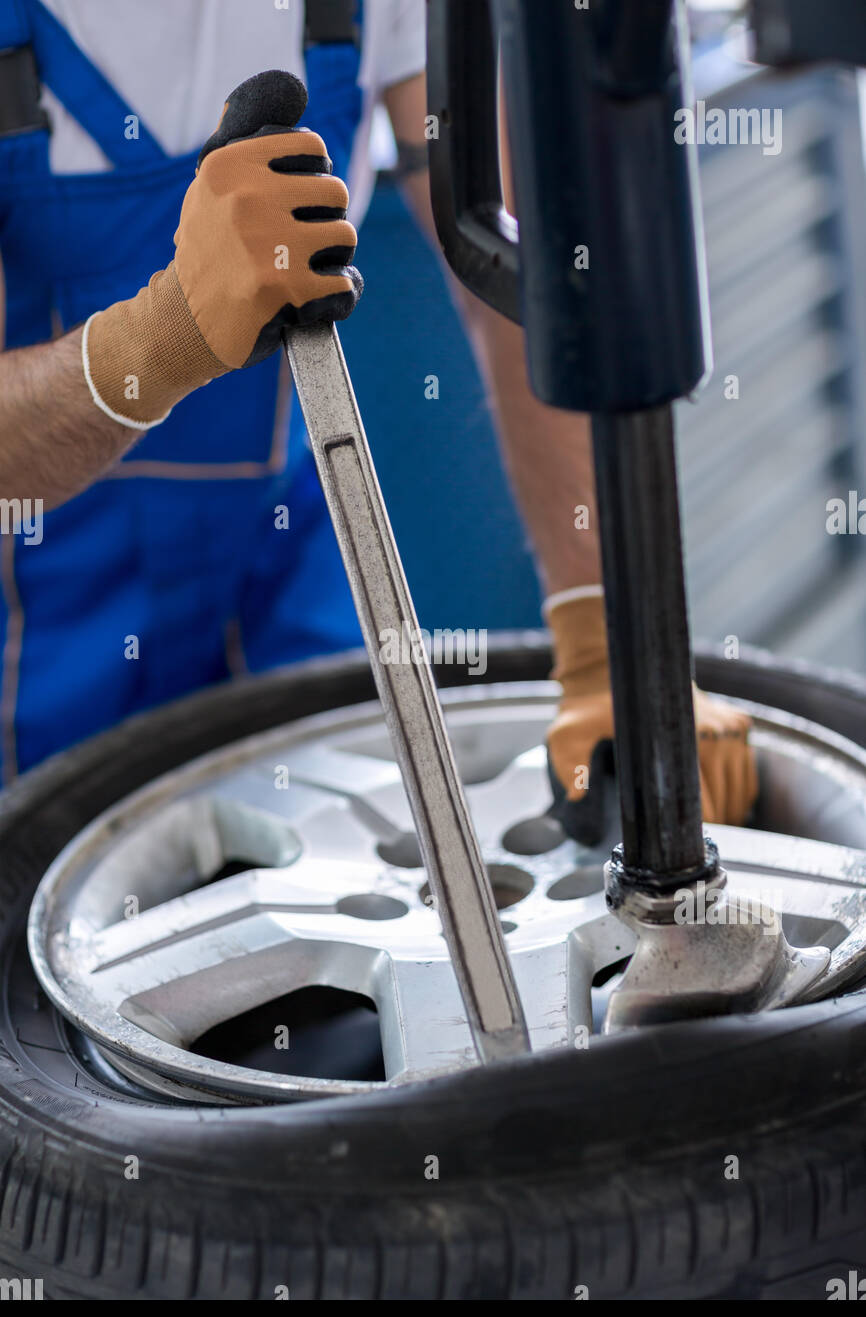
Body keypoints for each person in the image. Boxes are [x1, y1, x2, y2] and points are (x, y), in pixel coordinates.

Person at [0, 0, 755, 835]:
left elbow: (520, 269)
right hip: (29, 652)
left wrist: (606, 629)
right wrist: (162, 336)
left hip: (282, 592)